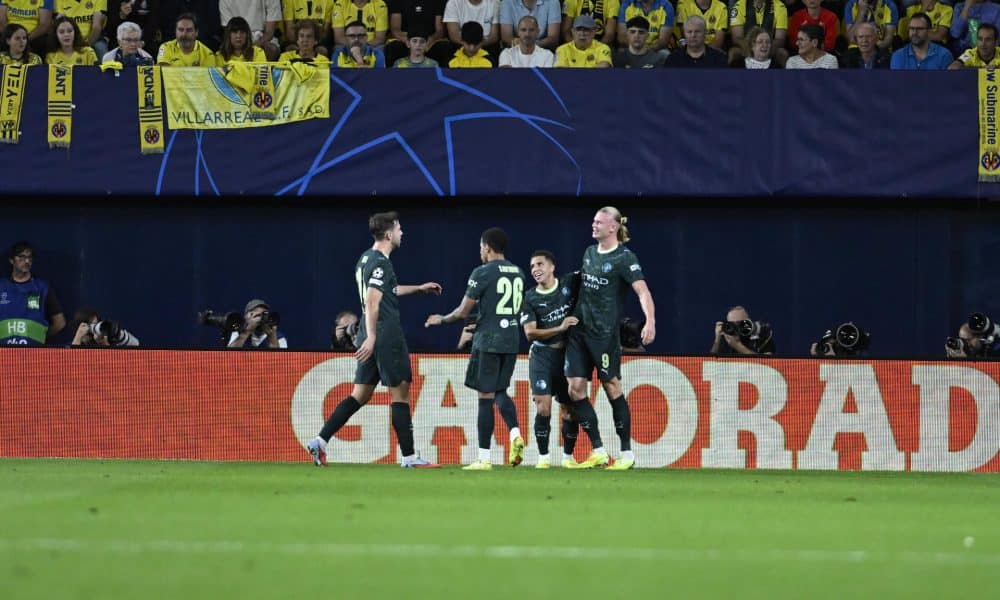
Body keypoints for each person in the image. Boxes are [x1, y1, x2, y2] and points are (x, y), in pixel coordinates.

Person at [307, 211, 442, 468]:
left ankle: (320, 441)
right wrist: (371, 337)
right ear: (389, 234)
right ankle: (410, 457)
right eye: (400, 229)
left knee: (360, 394)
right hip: (384, 334)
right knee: (400, 394)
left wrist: (418, 288)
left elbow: (385, 290)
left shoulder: (365, 259)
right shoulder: (381, 262)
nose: (402, 233)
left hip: (370, 333)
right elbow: (372, 300)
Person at [425, 228, 527, 471]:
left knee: (485, 396)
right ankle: (515, 433)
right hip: (511, 340)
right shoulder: (519, 273)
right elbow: (519, 307)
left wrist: (441, 319)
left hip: (489, 340)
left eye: (481, 247)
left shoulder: (481, 273)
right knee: (500, 390)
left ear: (488, 247)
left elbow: (462, 311)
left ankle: (484, 458)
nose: (480, 251)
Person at [564, 207, 655, 470]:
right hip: (579, 332)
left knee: (612, 387)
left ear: (613, 227)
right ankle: (598, 450)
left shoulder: (625, 258)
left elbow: (643, 292)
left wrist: (650, 321)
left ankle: (626, 454)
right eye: (593, 221)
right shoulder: (589, 253)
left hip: (604, 336)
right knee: (575, 389)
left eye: (599, 222)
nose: (593, 226)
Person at [520, 250, 581, 469]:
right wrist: (561, 327)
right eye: (532, 266)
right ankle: (543, 457)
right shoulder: (529, 297)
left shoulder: (569, 284)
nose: (536, 270)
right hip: (542, 356)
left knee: (570, 409)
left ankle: (568, 457)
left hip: (567, 355)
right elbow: (530, 333)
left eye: (540, 264)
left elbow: (593, 275)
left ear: (552, 267)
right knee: (543, 407)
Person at [0, 241, 66, 345]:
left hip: (33, 356)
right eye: (21, 257)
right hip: (3, 354)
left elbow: (60, 322)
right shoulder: (1, 286)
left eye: (29, 257)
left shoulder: (42, 288)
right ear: (11, 260)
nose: (26, 261)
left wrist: (41, 336)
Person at [386, 0, 448, 66]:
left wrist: (430, 40)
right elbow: (395, 29)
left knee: (444, 47)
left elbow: (439, 30)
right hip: (406, 38)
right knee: (393, 47)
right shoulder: (397, 1)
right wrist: (408, 41)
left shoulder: (438, 1)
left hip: (430, 38)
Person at [728, 0, 788, 66]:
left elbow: (780, 39)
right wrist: (753, 49)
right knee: (733, 53)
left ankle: (783, 76)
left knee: (782, 54)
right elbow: (737, 38)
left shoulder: (779, 6)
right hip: (747, 47)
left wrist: (764, 47)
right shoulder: (740, 5)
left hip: (769, 46)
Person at [663, 15, 728, 67]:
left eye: (697, 31)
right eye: (689, 32)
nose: (693, 35)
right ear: (684, 34)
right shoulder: (673, 59)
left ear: (705, 33)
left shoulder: (719, 59)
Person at [710, 305, 775, 355]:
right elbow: (709, 365)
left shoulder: (761, 332)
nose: (736, 327)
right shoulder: (727, 334)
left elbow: (768, 365)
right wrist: (717, 339)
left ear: (749, 322)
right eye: (732, 324)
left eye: (739, 323)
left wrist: (737, 345)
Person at [69, 306, 140, 347]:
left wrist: (105, 345)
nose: (93, 329)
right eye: (90, 326)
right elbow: (69, 365)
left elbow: (111, 365)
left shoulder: (103, 339)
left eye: (95, 324)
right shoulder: (75, 342)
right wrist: (78, 337)